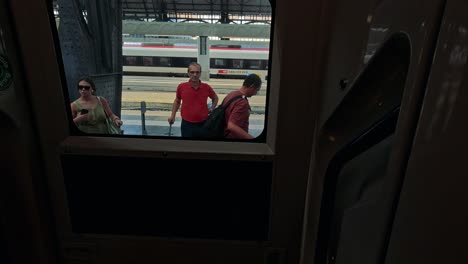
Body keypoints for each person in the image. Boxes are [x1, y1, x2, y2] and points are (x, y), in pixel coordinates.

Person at [168, 62, 219, 137]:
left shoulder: (206, 87)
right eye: (192, 72)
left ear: (200, 73)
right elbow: (177, 101)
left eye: (197, 72)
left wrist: (211, 108)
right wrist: (173, 115)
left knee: (201, 146)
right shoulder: (181, 87)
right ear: (188, 73)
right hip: (186, 124)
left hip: (203, 123)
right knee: (187, 146)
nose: (195, 75)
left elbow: (215, 98)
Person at [223, 74, 262, 139]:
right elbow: (231, 125)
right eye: (256, 90)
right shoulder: (242, 103)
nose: (255, 93)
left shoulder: (232, 94)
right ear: (252, 86)